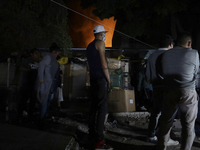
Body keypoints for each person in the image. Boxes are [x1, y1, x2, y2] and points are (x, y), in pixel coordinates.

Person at [156, 32, 199, 150]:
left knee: (166, 121)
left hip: (169, 90)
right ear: (189, 43)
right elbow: (196, 73)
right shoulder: (194, 53)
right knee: (188, 125)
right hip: (188, 91)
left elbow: (159, 72)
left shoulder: (165, 54)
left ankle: (161, 147)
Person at [145, 35, 179, 146]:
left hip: (155, 87)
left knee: (156, 112)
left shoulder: (151, 56)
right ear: (170, 44)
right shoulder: (171, 55)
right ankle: (165, 136)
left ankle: (151, 134)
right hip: (168, 87)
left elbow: (148, 77)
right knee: (168, 113)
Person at [86, 25, 113, 150]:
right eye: (103, 33)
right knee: (102, 108)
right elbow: (103, 63)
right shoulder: (100, 43)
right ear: (101, 33)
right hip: (100, 79)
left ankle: (92, 135)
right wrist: (108, 79)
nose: (104, 35)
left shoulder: (89, 46)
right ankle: (99, 141)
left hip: (93, 79)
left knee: (93, 107)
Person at [37, 42, 61, 127]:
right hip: (46, 83)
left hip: (50, 84)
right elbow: (41, 65)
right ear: (54, 51)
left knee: (47, 101)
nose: (58, 54)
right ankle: (41, 120)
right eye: (58, 52)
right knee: (44, 101)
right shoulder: (48, 57)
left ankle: (43, 118)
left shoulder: (52, 59)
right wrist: (41, 79)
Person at [17, 48, 40, 121]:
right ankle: (20, 114)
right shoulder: (27, 61)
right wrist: (31, 69)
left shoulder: (40, 62)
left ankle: (31, 114)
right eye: (36, 53)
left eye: (38, 53)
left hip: (35, 83)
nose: (38, 55)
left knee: (33, 99)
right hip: (26, 83)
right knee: (23, 99)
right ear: (31, 54)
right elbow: (21, 68)